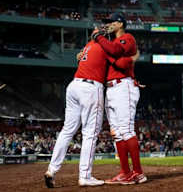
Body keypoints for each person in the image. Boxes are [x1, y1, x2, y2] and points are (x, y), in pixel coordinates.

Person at [44, 32, 135, 188]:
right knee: (90, 133)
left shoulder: (89, 46)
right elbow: (121, 63)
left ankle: (51, 170)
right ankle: (85, 176)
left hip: (74, 85)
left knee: (67, 130)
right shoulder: (105, 47)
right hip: (91, 88)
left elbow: (87, 57)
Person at [93, 12, 147, 185]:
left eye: (110, 22)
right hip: (111, 89)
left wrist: (99, 38)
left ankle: (138, 172)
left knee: (126, 130)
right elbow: (115, 59)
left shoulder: (127, 37)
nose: (107, 24)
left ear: (120, 24)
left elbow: (116, 52)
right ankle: (125, 172)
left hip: (124, 86)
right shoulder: (109, 42)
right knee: (117, 133)